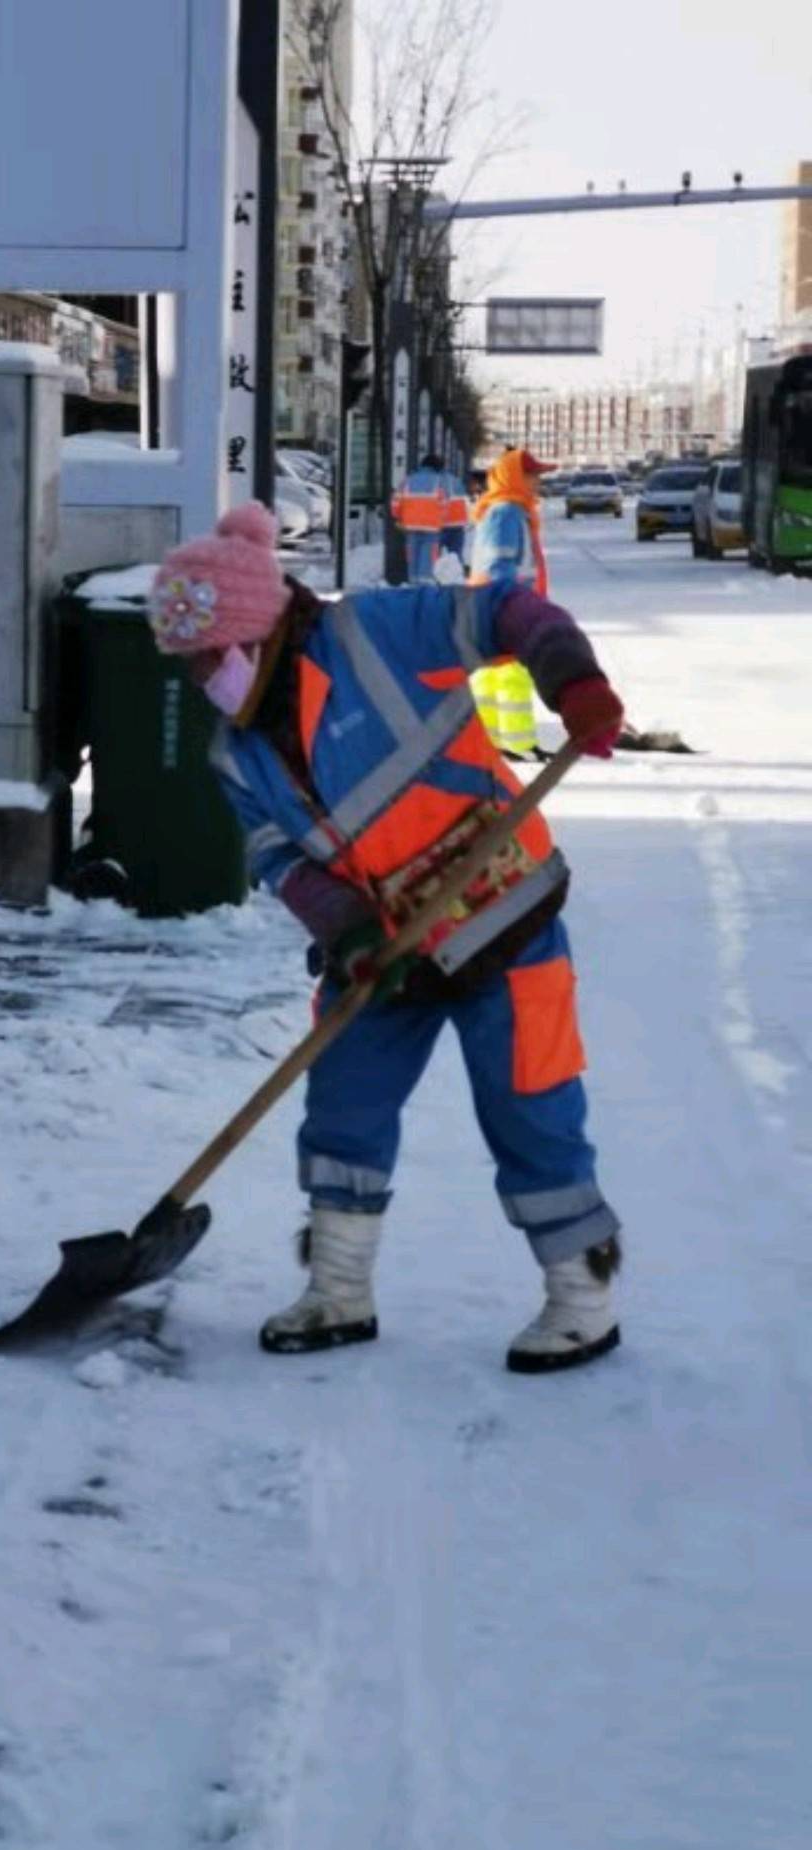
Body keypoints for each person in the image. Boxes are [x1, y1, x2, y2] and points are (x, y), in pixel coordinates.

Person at [147, 502, 626, 1374]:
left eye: (210, 657)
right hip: (386, 946)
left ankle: (582, 1299)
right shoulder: (234, 750)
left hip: (501, 913)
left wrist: (573, 680)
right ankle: (338, 1289)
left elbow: (512, 611)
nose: (201, 677)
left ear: (261, 629)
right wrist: (346, 928)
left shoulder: (377, 633)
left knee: (531, 1108)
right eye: (189, 663)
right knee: (343, 1107)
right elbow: (276, 854)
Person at [468, 448, 553, 761]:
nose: (537, 482)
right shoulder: (507, 513)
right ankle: (518, 743)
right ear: (516, 477)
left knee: (493, 674)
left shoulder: (507, 510)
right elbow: (499, 562)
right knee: (513, 673)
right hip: (506, 602)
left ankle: (491, 741)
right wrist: (513, 604)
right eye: (532, 475)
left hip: (494, 602)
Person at [390, 452, 448, 583]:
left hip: (410, 527)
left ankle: (413, 587)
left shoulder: (407, 480)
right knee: (427, 560)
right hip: (432, 529)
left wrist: (398, 517)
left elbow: (396, 502)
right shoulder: (439, 481)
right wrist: (441, 522)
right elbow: (444, 505)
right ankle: (424, 590)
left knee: (413, 559)